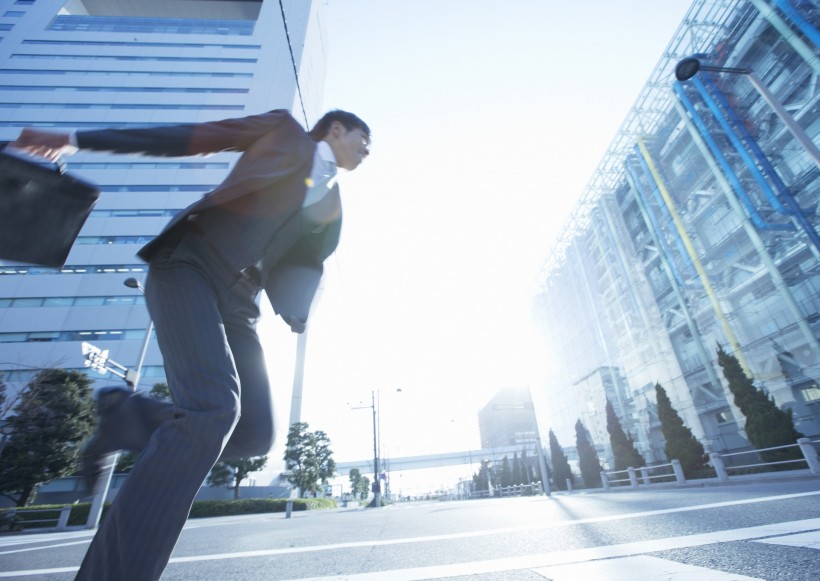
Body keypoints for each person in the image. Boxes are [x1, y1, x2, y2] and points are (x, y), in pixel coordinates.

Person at [10, 109, 370, 580]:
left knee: (254, 433)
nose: (369, 150)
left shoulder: (332, 198)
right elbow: (190, 137)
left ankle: (126, 414)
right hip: (189, 266)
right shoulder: (282, 132)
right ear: (337, 128)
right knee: (213, 410)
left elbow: (303, 260)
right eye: (366, 138)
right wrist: (76, 138)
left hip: (239, 304)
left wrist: (297, 306)